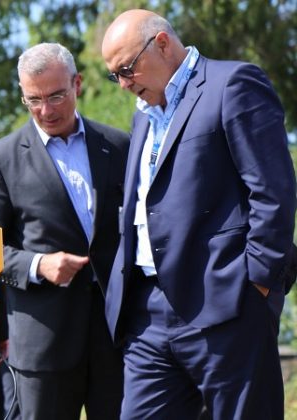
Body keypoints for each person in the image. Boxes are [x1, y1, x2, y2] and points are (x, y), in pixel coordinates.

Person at [101, 9, 296, 419]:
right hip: (148, 316)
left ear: (162, 44)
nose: (122, 84)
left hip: (227, 303)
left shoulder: (233, 84)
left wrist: (257, 283)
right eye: (114, 75)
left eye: (126, 69)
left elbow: (273, 192)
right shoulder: (143, 118)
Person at [0, 43, 129, 420]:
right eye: (33, 100)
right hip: (44, 342)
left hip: (118, 335)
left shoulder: (120, 146)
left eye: (56, 96)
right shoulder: (0, 159)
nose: (45, 110)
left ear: (77, 83)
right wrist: (38, 264)